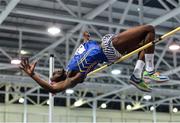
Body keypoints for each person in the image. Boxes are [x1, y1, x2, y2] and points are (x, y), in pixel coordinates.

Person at [20, 25, 169, 93]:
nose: (55, 71)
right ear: (56, 80)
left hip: (106, 47)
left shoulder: (70, 66)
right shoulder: (73, 77)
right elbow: (51, 88)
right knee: (148, 29)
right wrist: (33, 75)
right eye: (53, 74)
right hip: (110, 47)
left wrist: (86, 40)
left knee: (146, 44)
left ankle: (137, 75)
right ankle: (149, 71)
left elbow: (85, 52)